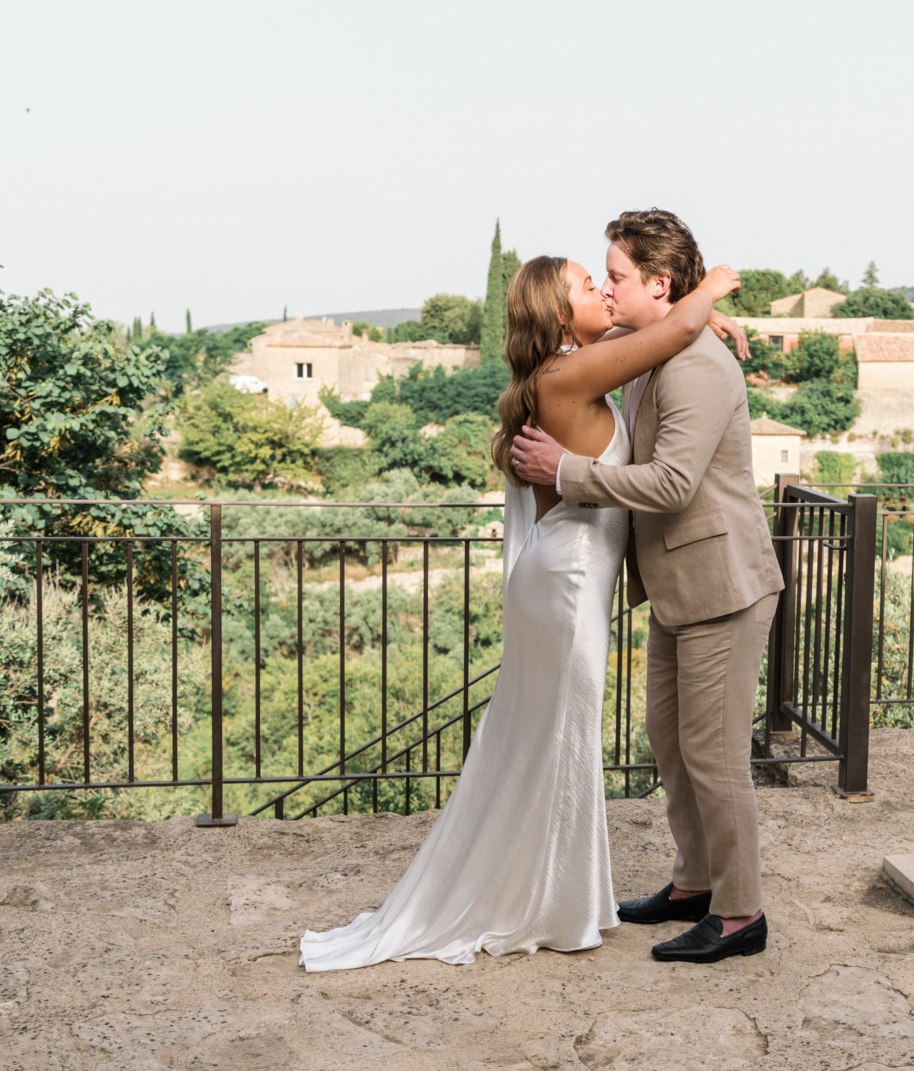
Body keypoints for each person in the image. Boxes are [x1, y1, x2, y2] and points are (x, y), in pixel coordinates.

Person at [297, 251, 743, 971]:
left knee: (552, 738)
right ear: (559, 315)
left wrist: (692, 315)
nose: (600, 286)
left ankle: (551, 893)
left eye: (603, 277)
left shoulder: (578, 365)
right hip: (566, 583)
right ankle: (551, 905)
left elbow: (664, 336)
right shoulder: (567, 374)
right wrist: (711, 290)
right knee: (561, 738)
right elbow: (666, 335)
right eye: (583, 282)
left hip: (568, 579)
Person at [510, 209, 785, 964]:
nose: (606, 284)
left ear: (657, 284)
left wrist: (562, 472)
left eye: (618, 275)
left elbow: (668, 483)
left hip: (722, 585)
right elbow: (669, 324)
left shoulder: (695, 367)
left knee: (715, 752)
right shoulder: (648, 347)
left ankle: (738, 914)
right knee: (671, 738)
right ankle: (693, 882)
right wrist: (708, 307)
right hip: (677, 586)